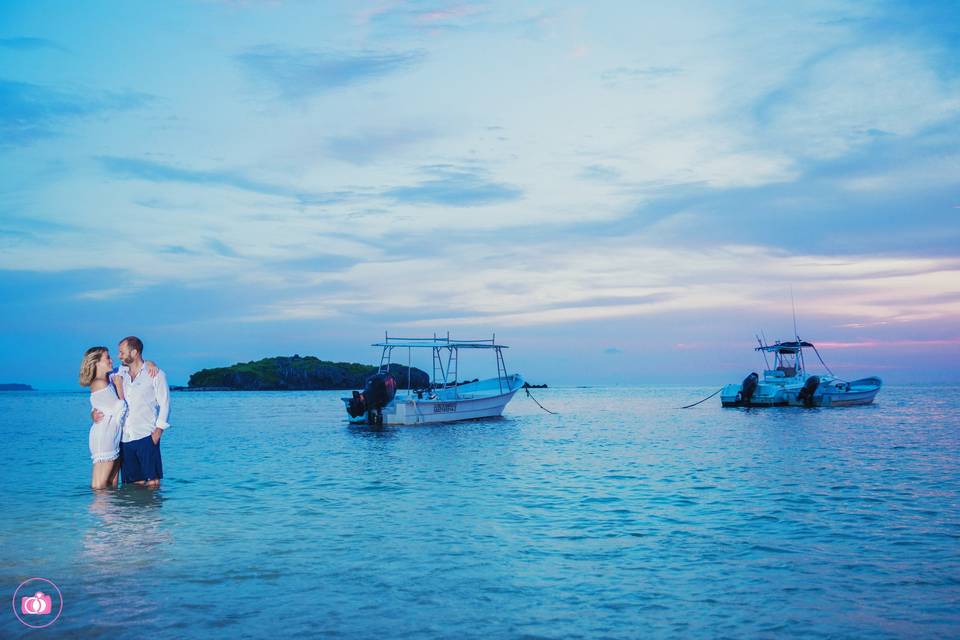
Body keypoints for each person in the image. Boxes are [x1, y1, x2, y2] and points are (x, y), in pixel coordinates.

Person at [92, 336, 170, 488]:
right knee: (132, 486)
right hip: (124, 439)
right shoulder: (116, 374)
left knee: (153, 483)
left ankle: (153, 512)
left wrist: (158, 432)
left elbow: (165, 404)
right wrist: (93, 414)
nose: (118, 356)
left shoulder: (156, 374)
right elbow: (101, 398)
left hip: (147, 436)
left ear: (134, 352)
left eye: (122, 352)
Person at [79, 347, 126, 489]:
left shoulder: (105, 379)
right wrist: (120, 387)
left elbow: (98, 405)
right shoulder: (100, 382)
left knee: (109, 485)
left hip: (109, 434)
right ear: (97, 363)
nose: (112, 360)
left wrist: (150, 364)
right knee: (100, 487)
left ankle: (109, 511)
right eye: (107, 358)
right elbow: (120, 408)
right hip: (105, 437)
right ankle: (98, 510)